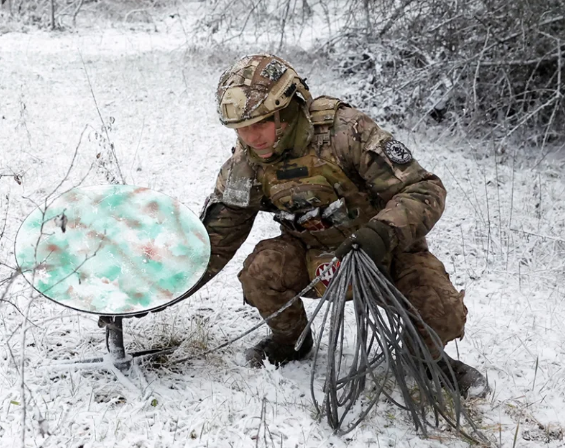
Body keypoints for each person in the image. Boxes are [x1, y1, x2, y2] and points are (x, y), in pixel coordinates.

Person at [197, 54, 489, 398]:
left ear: (287, 109)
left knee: (441, 311)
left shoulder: (344, 131)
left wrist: (379, 234)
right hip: (313, 255)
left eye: (260, 124)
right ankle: (291, 342)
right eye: (240, 129)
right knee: (260, 272)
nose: (251, 137)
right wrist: (161, 290)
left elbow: (424, 189)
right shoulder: (246, 162)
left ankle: (426, 359)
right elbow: (218, 237)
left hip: (384, 251)